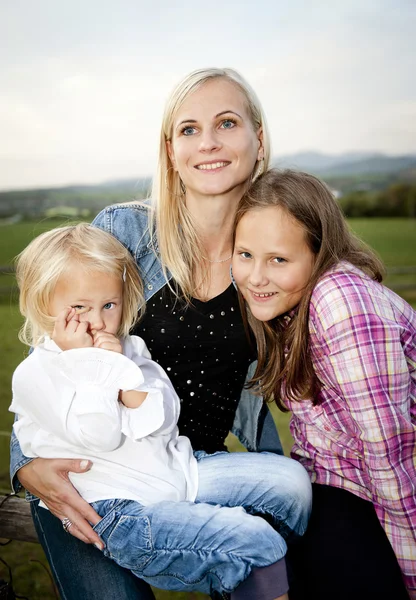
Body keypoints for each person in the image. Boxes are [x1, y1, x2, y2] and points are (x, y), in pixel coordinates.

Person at [9, 68, 312, 600]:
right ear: (170, 150)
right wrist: (25, 466)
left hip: (194, 465)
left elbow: (341, 295)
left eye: (226, 123)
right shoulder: (124, 233)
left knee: (277, 537)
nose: (209, 142)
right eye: (189, 129)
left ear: (258, 140)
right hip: (96, 473)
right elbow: (55, 351)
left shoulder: (272, 255)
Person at [10, 223, 307, 599]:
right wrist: (98, 371)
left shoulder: (128, 347)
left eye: (109, 305)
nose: (99, 321)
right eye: (80, 309)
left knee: (292, 480)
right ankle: (256, 577)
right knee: (254, 540)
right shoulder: (36, 373)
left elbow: (161, 418)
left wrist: (122, 373)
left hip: (175, 471)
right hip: (118, 509)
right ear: (43, 305)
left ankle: (276, 573)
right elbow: (98, 434)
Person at [231, 168, 416, 600]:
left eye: (278, 259)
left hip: (391, 484)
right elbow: (316, 436)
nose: (256, 276)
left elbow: (390, 453)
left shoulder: (342, 303)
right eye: (244, 254)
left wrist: (410, 572)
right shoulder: (289, 306)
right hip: (340, 482)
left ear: (320, 253)